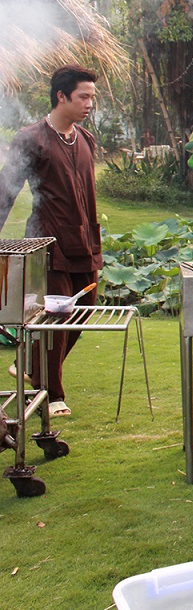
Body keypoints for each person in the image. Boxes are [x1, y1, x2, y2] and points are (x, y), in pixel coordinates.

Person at [0, 65, 101, 417]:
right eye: (83, 97)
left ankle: (29, 364)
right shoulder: (32, 139)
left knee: (82, 315)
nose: (90, 103)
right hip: (47, 243)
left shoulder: (86, 139)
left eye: (92, 97)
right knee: (57, 319)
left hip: (86, 243)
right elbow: (6, 190)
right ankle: (52, 394)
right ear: (61, 96)